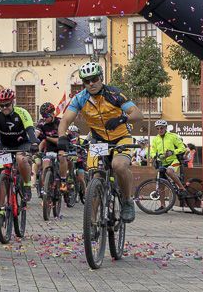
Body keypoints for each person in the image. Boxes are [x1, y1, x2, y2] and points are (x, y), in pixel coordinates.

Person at [57, 61, 142, 222]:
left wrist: (122, 119)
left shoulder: (114, 94)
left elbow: (138, 114)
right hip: (99, 140)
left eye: (94, 79)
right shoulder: (80, 98)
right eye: (86, 81)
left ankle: (127, 201)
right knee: (95, 175)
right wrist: (62, 137)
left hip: (120, 137)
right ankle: (92, 223)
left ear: (101, 78)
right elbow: (65, 120)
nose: (91, 83)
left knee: (119, 166)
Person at [0, 89, 38, 201]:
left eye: (7, 104)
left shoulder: (22, 112)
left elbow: (30, 129)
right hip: (5, 145)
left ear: (12, 102)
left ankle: (27, 184)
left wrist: (34, 142)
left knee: (21, 159)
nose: (4, 107)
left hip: (22, 144)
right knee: (2, 172)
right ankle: (1, 207)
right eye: (1, 105)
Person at [35, 102, 68, 196]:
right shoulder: (42, 122)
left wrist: (47, 138)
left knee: (62, 156)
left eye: (46, 116)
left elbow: (59, 140)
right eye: (43, 116)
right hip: (49, 148)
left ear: (52, 114)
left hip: (61, 145)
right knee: (45, 166)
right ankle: (45, 187)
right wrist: (32, 140)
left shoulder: (60, 122)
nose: (44, 118)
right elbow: (36, 133)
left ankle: (63, 181)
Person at [149, 120, 188, 189]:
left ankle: (182, 188)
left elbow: (182, 148)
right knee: (161, 186)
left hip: (174, 161)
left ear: (165, 128)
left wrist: (172, 152)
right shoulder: (155, 139)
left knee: (169, 171)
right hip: (162, 163)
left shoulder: (172, 136)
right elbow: (152, 151)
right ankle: (164, 196)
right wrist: (156, 156)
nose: (160, 130)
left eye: (161, 128)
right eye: (158, 128)